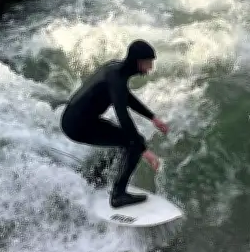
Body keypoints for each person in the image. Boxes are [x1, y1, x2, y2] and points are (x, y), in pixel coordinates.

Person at [60, 39, 169, 208]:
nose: (150, 68)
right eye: (148, 63)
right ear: (138, 62)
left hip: (79, 119)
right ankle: (118, 195)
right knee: (134, 141)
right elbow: (122, 115)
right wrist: (143, 149)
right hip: (77, 126)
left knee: (123, 140)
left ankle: (96, 177)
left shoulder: (117, 70)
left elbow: (125, 97)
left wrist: (152, 117)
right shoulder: (116, 78)